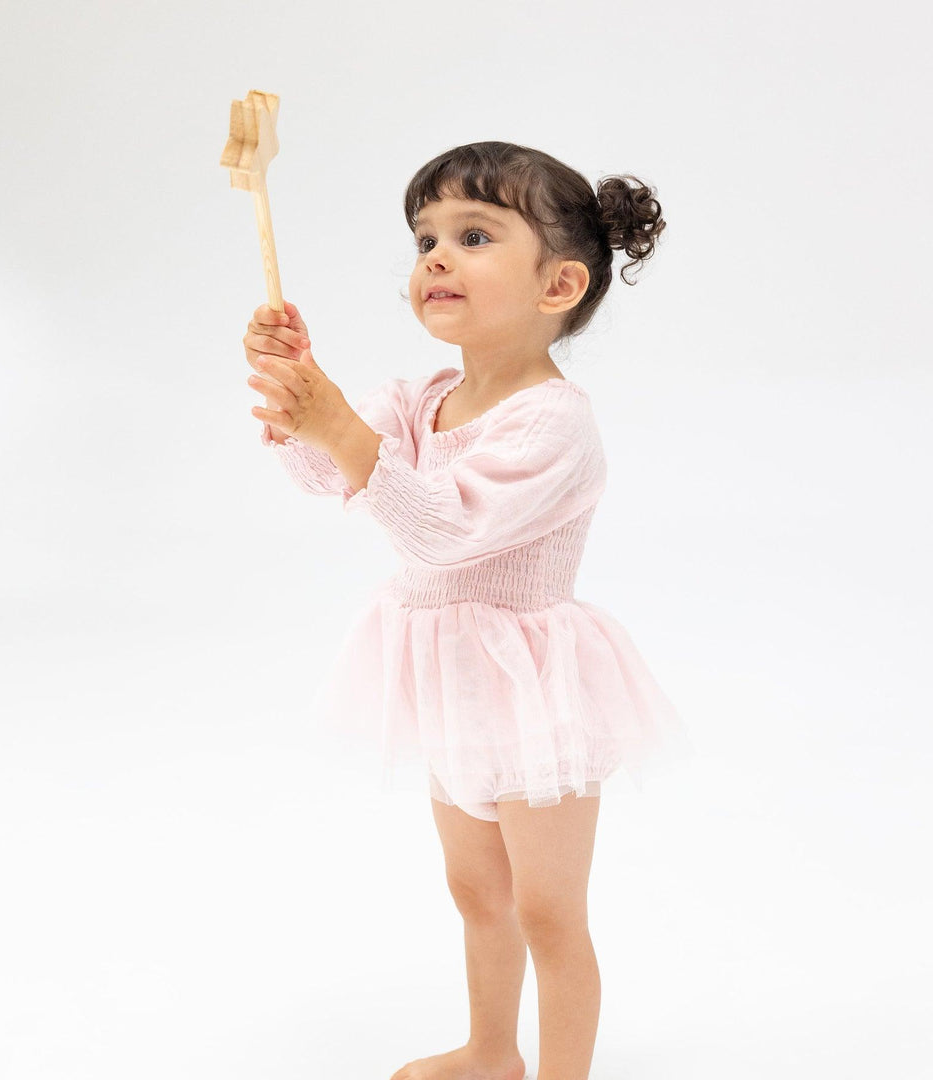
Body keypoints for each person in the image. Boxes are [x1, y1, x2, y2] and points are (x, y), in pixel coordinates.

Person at [242, 140, 697, 1080]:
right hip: (448, 677)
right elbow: (329, 473)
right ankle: (493, 1050)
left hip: (534, 689)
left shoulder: (553, 423)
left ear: (557, 284)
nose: (435, 257)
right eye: (424, 238)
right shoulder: (421, 398)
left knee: (547, 911)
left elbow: (442, 531)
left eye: (473, 235)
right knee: (475, 890)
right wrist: (296, 402)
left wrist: (337, 423)